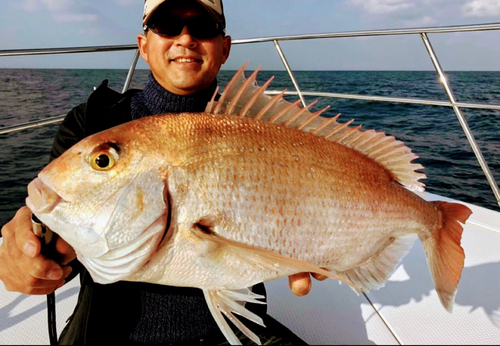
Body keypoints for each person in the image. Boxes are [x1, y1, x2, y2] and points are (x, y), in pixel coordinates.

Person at [0, 0, 324, 344]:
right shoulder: (91, 124)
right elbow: (60, 232)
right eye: (167, 24)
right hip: (108, 333)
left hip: (236, 330)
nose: (185, 39)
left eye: (203, 26)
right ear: (143, 45)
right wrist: (30, 249)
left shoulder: (267, 131)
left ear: (225, 48)